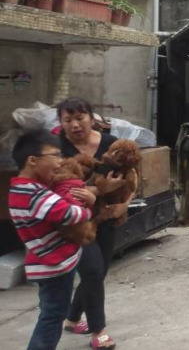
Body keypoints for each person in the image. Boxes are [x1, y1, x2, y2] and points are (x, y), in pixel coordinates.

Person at [56, 97, 132, 350]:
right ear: (61, 123)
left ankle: (72, 317)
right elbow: (62, 189)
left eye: (80, 118)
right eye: (68, 120)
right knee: (92, 271)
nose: (75, 124)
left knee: (99, 272)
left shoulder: (110, 144)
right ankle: (98, 331)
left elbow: (131, 175)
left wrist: (125, 204)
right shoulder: (57, 149)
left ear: (91, 118)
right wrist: (99, 190)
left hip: (107, 217)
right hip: (76, 223)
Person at [9, 130, 96, 350]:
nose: (60, 162)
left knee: (52, 311)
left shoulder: (19, 189)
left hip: (46, 262)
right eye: (55, 155)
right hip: (55, 266)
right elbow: (69, 215)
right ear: (32, 160)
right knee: (53, 315)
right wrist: (88, 208)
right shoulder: (34, 193)